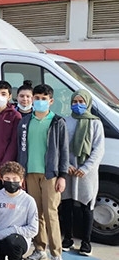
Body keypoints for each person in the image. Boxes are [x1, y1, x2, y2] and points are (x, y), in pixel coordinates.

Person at [17, 84, 69, 260]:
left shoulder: (57, 122)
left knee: (50, 213)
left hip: (50, 175)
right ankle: (40, 249)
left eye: (43, 99)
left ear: (51, 101)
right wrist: (21, 174)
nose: (39, 101)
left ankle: (56, 253)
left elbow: (64, 150)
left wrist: (62, 176)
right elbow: (20, 148)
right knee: (36, 213)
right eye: (37, 98)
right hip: (30, 173)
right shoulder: (25, 122)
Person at [60, 89, 105, 256]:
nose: (77, 105)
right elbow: (60, 146)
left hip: (87, 174)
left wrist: (85, 168)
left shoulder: (95, 123)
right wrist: (66, 165)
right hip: (69, 170)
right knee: (67, 205)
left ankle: (86, 242)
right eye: (75, 102)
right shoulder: (65, 121)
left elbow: (98, 149)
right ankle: (68, 239)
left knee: (87, 206)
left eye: (81, 102)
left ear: (88, 103)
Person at [0, 161, 39, 260]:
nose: (11, 182)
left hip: (18, 240)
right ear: (2, 180)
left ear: (21, 180)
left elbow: (33, 229)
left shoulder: (29, 200)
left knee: (12, 241)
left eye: (15, 179)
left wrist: (10, 231)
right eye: (7, 179)